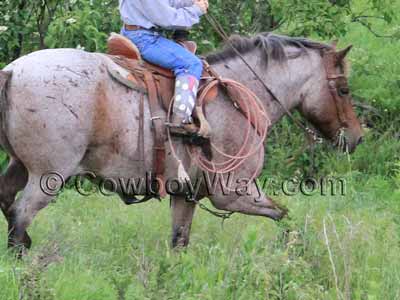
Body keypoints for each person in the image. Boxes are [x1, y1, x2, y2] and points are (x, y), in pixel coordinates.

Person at [119, 0, 209, 133]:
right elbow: (168, 19)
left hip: (132, 32)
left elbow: (166, 3)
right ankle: (180, 119)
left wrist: (190, 2)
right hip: (145, 39)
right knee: (192, 64)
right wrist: (196, 10)